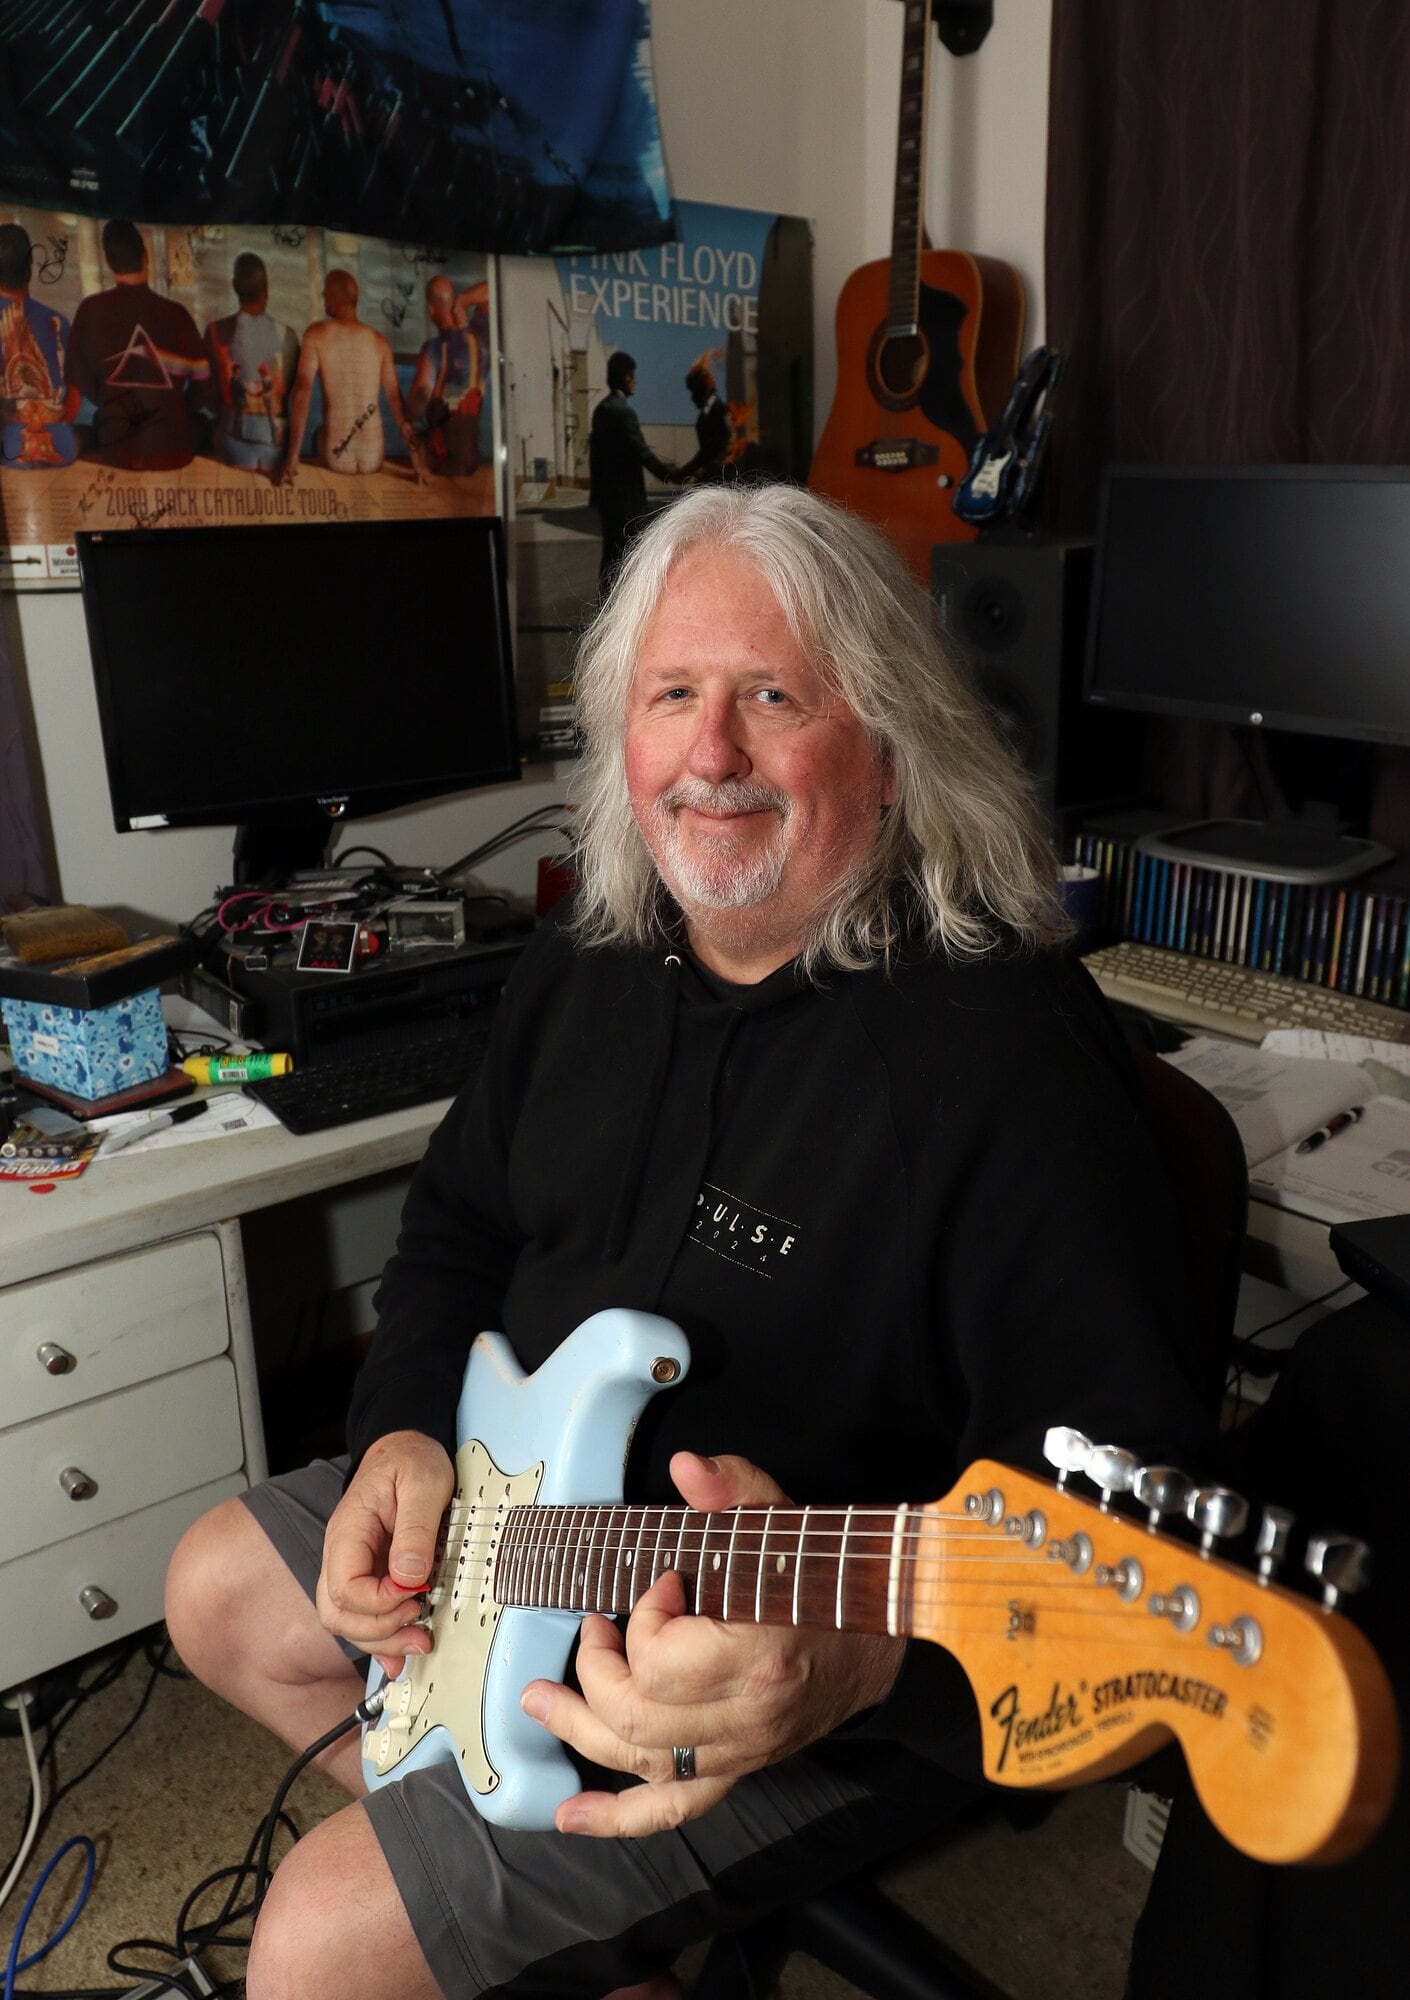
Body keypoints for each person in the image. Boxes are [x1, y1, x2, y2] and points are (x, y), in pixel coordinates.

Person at [165, 483, 1215, 2000]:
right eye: (673, 696)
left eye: (772, 697)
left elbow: (1122, 1519)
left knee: (316, 1940)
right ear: (625, 736)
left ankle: (532, 1921)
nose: (711, 754)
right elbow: (459, 1223)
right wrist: (398, 1431)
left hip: (795, 1651)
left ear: (890, 746)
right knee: (216, 1589)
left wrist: (853, 1661)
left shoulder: (1004, 1059)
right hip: (539, 1514)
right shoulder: (593, 950)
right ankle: (591, 1951)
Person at [64, 218, 209, 470]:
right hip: (173, 449)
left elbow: (77, 377)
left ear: (109, 263)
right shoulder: (178, 314)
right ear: (146, 256)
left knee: (101, 419)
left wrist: (111, 402)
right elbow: (204, 386)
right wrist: (173, 410)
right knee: (201, 423)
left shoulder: (90, 310)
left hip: (116, 449)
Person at [280, 268, 425, 484]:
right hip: (374, 458)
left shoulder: (316, 334)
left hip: (337, 458)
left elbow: (302, 390)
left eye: (326, 292)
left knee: (318, 433)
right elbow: (397, 404)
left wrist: (292, 457)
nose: (323, 296)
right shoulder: (379, 341)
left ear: (338, 296)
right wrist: (418, 464)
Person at [205, 251, 300, 475]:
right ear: (266, 289)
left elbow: (208, 395)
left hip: (232, 449)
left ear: (235, 286)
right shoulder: (288, 335)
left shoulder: (214, 332)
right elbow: (292, 397)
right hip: (276, 450)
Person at [588, 349, 676, 588]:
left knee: (612, 556)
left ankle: (606, 609)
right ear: (626, 377)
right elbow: (642, 452)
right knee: (628, 556)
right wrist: (671, 475)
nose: (635, 381)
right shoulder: (623, 412)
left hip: (608, 499)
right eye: (633, 376)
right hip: (625, 500)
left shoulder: (601, 410)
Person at [0, 219, 80, 469]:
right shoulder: (58, 322)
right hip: (61, 446)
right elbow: (75, 397)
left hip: (11, 449)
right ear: (29, 269)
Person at [407, 274, 489, 476]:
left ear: (430, 309)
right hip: (472, 460)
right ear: (452, 301)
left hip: (442, 462)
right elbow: (491, 290)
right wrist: (464, 301)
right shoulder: (481, 339)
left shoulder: (433, 349)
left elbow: (416, 408)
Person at [675, 361, 732, 484]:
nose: (693, 398)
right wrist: (686, 472)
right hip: (710, 479)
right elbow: (704, 452)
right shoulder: (703, 417)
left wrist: (704, 469)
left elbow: (726, 448)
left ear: (705, 390)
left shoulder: (721, 411)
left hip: (724, 480)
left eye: (696, 392)